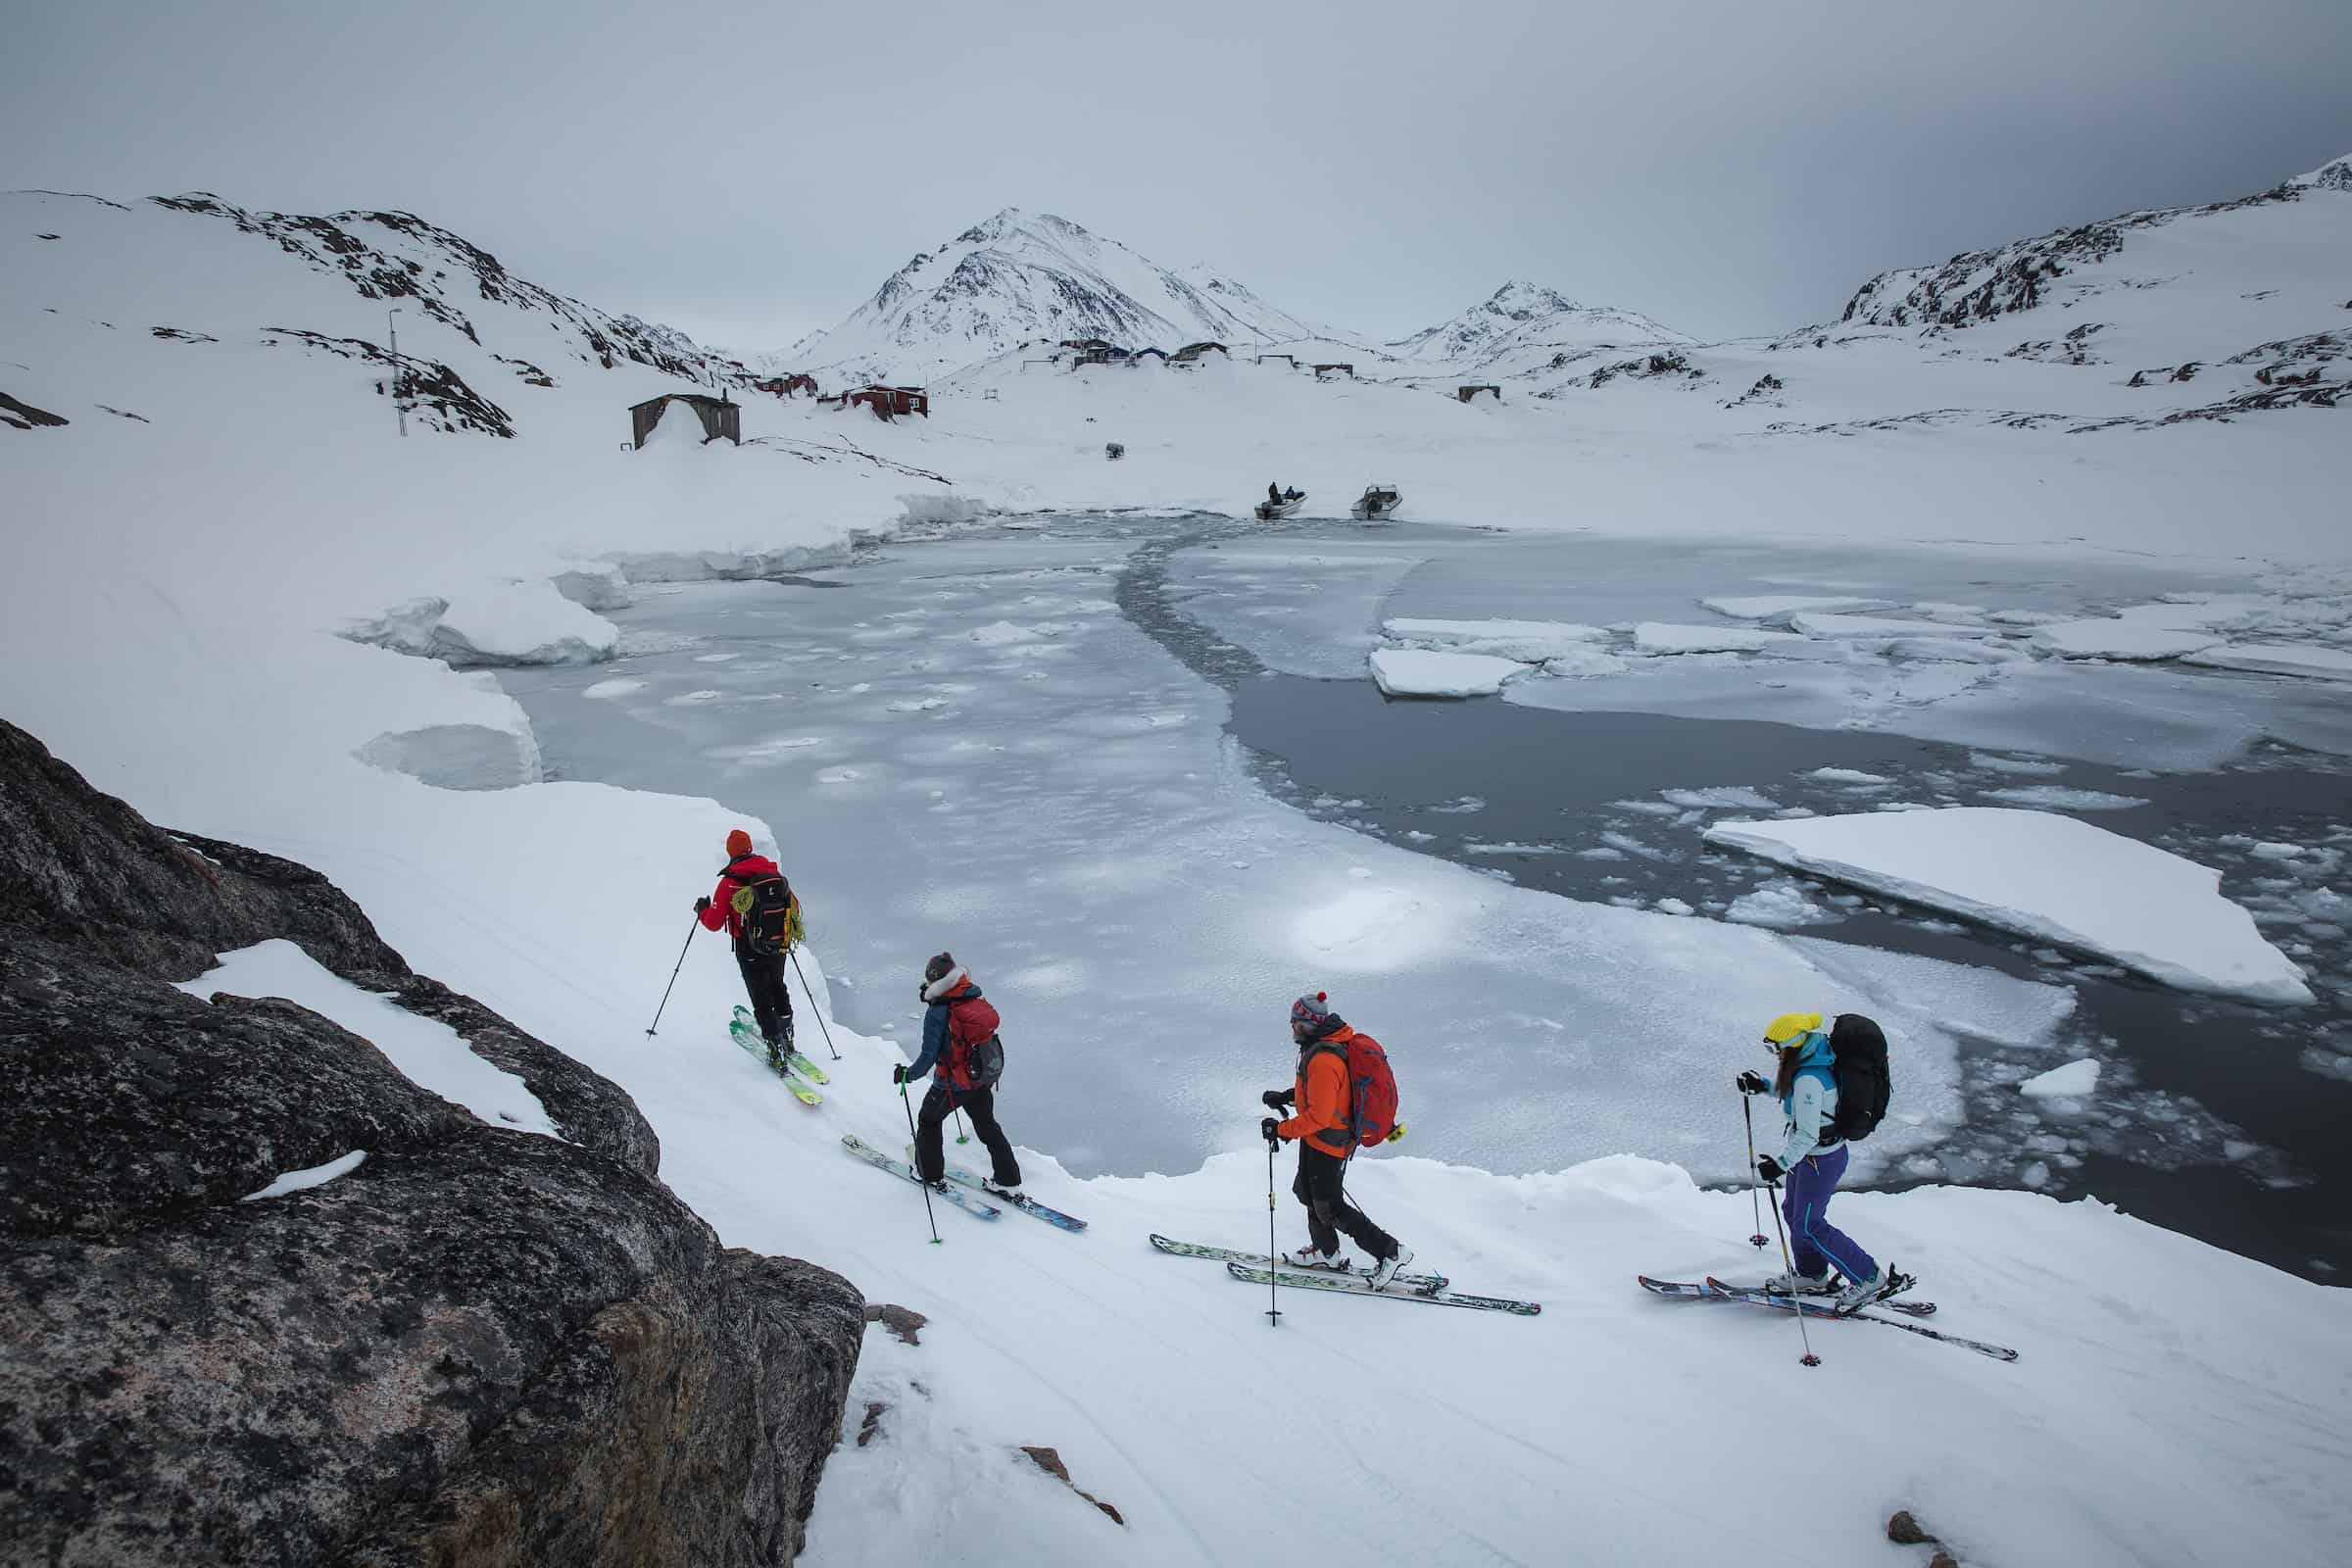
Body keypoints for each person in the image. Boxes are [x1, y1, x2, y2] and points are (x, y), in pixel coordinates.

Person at [1737, 1010, 1907, 1312]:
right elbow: (1793, 1093)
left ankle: (1870, 1277)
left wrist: (1780, 1164)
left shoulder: (1810, 1078)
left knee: (1810, 1224)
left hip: (1820, 1160)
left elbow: (1807, 1134)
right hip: (1811, 1158)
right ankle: (1811, 1274)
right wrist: (1763, 1085)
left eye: (1775, 1047)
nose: (1774, 1054)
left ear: (1793, 1044)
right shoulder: (1811, 1061)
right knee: (1793, 1213)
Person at [1261, 993, 1413, 1288]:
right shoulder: (1317, 1047)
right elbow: (1321, 1093)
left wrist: (1280, 1130)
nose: (1292, 1026)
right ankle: (1326, 1252)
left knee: (1330, 1207)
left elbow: (1320, 1115)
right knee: (1307, 1192)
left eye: (1296, 1022)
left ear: (1309, 1024)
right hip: (1316, 1139)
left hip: (1329, 1143)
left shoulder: (1323, 1059)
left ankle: (1391, 1252)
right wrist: (1287, 1097)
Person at [894, 953, 1022, 1197]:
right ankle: (1008, 1178)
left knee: (929, 1121)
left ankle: (929, 1175)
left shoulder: (938, 1011)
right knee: (987, 1125)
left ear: (933, 980)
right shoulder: (972, 995)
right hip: (979, 1077)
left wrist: (907, 1075)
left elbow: (928, 1056)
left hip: (952, 1083)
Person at [695, 828, 797, 1068]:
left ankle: (775, 1048)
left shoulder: (730, 882)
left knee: (761, 998)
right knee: (777, 987)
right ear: (750, 848)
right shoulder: (772, 874)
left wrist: (702, 910)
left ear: (731, 853)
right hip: (777, 945)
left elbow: (713, 922)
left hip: (749, 948)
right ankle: (788, 1037)